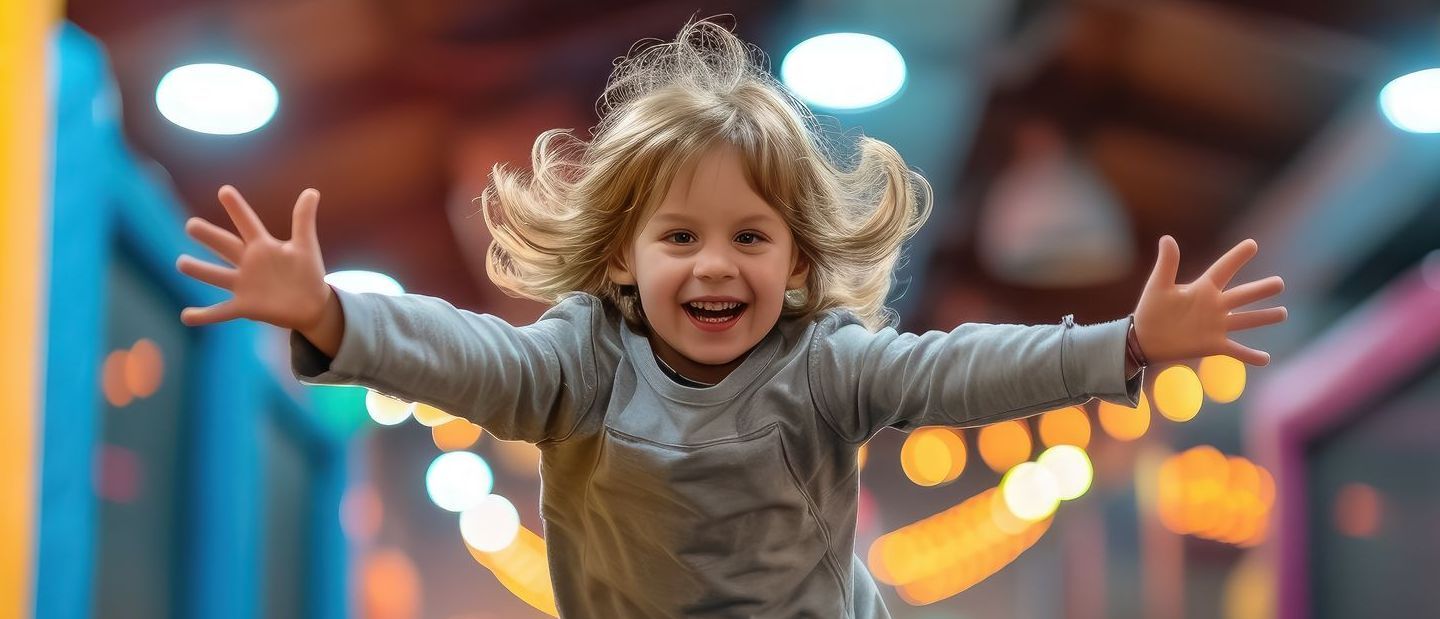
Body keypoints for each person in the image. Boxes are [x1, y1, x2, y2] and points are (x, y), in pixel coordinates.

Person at [175, 18, 1287, 618]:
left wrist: (1125, 345)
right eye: (681, 238)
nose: (718, 265)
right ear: (621, 257)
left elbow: (961, 374)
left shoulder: (826, 361)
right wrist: (333, 313)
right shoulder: (578, 359)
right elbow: (470, 356)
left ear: (798, 261)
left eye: (750, 238)